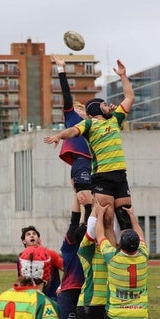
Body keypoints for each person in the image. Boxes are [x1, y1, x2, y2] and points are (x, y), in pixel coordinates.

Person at [44, 59, 135, 245]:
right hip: (101, 175)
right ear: (95, 108)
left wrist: (123, 76)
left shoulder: (114, 119)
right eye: (104, 104)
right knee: (107, 218)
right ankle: (109, 255)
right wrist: (59, 136)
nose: (108, 105)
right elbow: (72, 131)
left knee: (125, 216)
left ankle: (126, 253)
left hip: (120, 174)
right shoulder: (89, 123)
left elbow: (129, 97)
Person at [97, 204, 148, 319]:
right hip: (139, 315)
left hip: (115, 314)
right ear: (137, 246)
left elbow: (99, 235)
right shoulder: (143, 256)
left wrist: (99, 215)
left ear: (120, 245)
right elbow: (140, 233)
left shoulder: (112, 257)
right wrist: (132, 215)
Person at [52, 54, 93, 225]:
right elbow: (67, 94)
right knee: (85, 200)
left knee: (102, 203)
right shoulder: (71, 119)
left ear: (86, 113)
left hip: (98, 164)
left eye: (80, 108)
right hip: (81, 162)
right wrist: (61, 69)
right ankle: (83, 227)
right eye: (74, 108)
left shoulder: (92, 123)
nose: (76, 109)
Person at [57, 193, 86, 319]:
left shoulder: (91, 246)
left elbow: (87, 221)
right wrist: (77, 194)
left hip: (87, 293)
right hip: (69, 293)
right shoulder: (69, 246)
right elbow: (74, 220)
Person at [19, 225, 64, 301]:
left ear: (39, 239)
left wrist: (62, 286)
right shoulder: (22, 258)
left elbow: (68, 269)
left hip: (50, 298)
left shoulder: (50, 254)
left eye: (34, 233)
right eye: (28, 234)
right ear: (24, 241)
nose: (32, 235)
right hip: (29, 299)